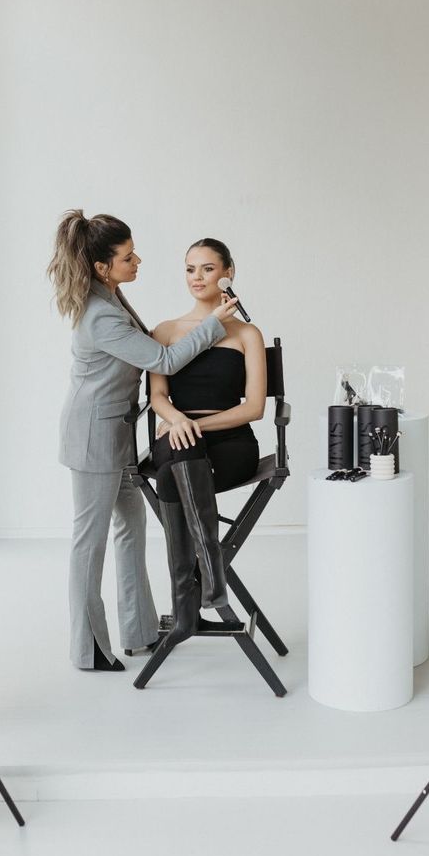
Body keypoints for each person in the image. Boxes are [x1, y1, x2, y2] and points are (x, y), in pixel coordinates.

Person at [47, 212, 239, 671]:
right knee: (88, 541)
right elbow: (165, 359)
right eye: (127, 256)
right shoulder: (99, 316)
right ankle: (88, 648)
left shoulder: (110, 294)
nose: (138, 261)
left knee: (131, 529)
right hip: (92, 437)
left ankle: (138, 630)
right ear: (101, 267)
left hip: (117, 433)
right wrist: (213, 324)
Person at [149, 238, 267, 643]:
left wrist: (193, 425)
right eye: (189, 269)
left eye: (207, 268)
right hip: (178, 433)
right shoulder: (164, 331)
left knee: (171, 473)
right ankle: (212, 581)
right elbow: (157, 398)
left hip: (231, 442)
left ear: (228, 272)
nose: (197, 277)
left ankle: (185, 608)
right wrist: (178, 419)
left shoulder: (247, 334)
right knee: (180, 454)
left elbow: (254, 408)